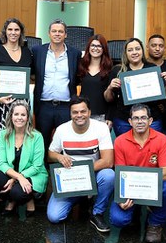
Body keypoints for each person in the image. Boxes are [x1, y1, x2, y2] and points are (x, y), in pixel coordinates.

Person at [109, 104, 166, 243]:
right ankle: (135, 210)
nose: (139, 121)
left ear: (150, 120)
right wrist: (121, 199)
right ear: (130, 121)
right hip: (131, 189)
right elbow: (121, 174)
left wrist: (142, 181)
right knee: (118, 220)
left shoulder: (162, 139)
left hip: (153, 188)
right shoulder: (120, 141)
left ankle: (155, 223)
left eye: (143, 118)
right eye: (136, 118)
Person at [47, 97, 115, 233]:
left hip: (93, 174)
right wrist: (59, 156)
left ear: (89, 112)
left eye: (83, 111)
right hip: (70, 179)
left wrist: (82, 172)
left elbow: (108, 161)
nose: (79, 115)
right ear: (70, 114)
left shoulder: (101, 128)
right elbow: (50, 154)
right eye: (75, 112)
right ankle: (80, 197)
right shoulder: (62, 129)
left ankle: (97, 213)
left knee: (109, 175)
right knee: (54, 216)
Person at [0, 18, 34, 154]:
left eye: (16, 29)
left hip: (22, 104)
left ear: (21, 32)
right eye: (10, 29)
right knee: (1, 138)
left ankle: (20, 163)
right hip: (1, 104)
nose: (13, 32)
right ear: (5, 32)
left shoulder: (27, 52)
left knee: (22, 138)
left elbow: (32, 76)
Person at [0, 100, 48, 217]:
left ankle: (16, 200)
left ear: (28, 118)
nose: (19, 118)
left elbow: (36, 166)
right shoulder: (4, 134)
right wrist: (18, 177)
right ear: (11, 116)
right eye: (16, 114)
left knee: (18, 192)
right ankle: (17, 197)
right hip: (14, 174)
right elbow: (2, 163)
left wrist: (15, 179)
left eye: (23, 115)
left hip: (32, 174)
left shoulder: (37, 136)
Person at [104, 38, 166, 137]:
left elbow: (163, 96)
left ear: (142, 51)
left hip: (151, 119)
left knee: (151, 146)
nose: (134, 52)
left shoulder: (152, 68)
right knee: (126, 146)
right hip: (124, 120)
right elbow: (108, 99)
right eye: (130, 50)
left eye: (137, 49)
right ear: (125, 53)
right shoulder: (118, 71)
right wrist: (110, 87)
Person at [31, 19, 81, 148]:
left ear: (66, 34)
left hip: (66, 106)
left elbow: (77, 77)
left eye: (60, 31)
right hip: (44, 105)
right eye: (54, 31)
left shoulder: (75, 53)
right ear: (49, 33)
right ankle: (43, 162)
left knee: (65, 142)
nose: (57, 34)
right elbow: (32, 73)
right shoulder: (37, 51)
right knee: (42, 143)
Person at [76, 34, 113, 124]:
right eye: (93, 45)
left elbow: (112, 98)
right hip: (82, 114)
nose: (95, 48)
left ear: (104, 49)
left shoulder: (109, 69)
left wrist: (109, 117)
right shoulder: (81, 66)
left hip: (102, 115)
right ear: (88, 47)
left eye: (99, 46)